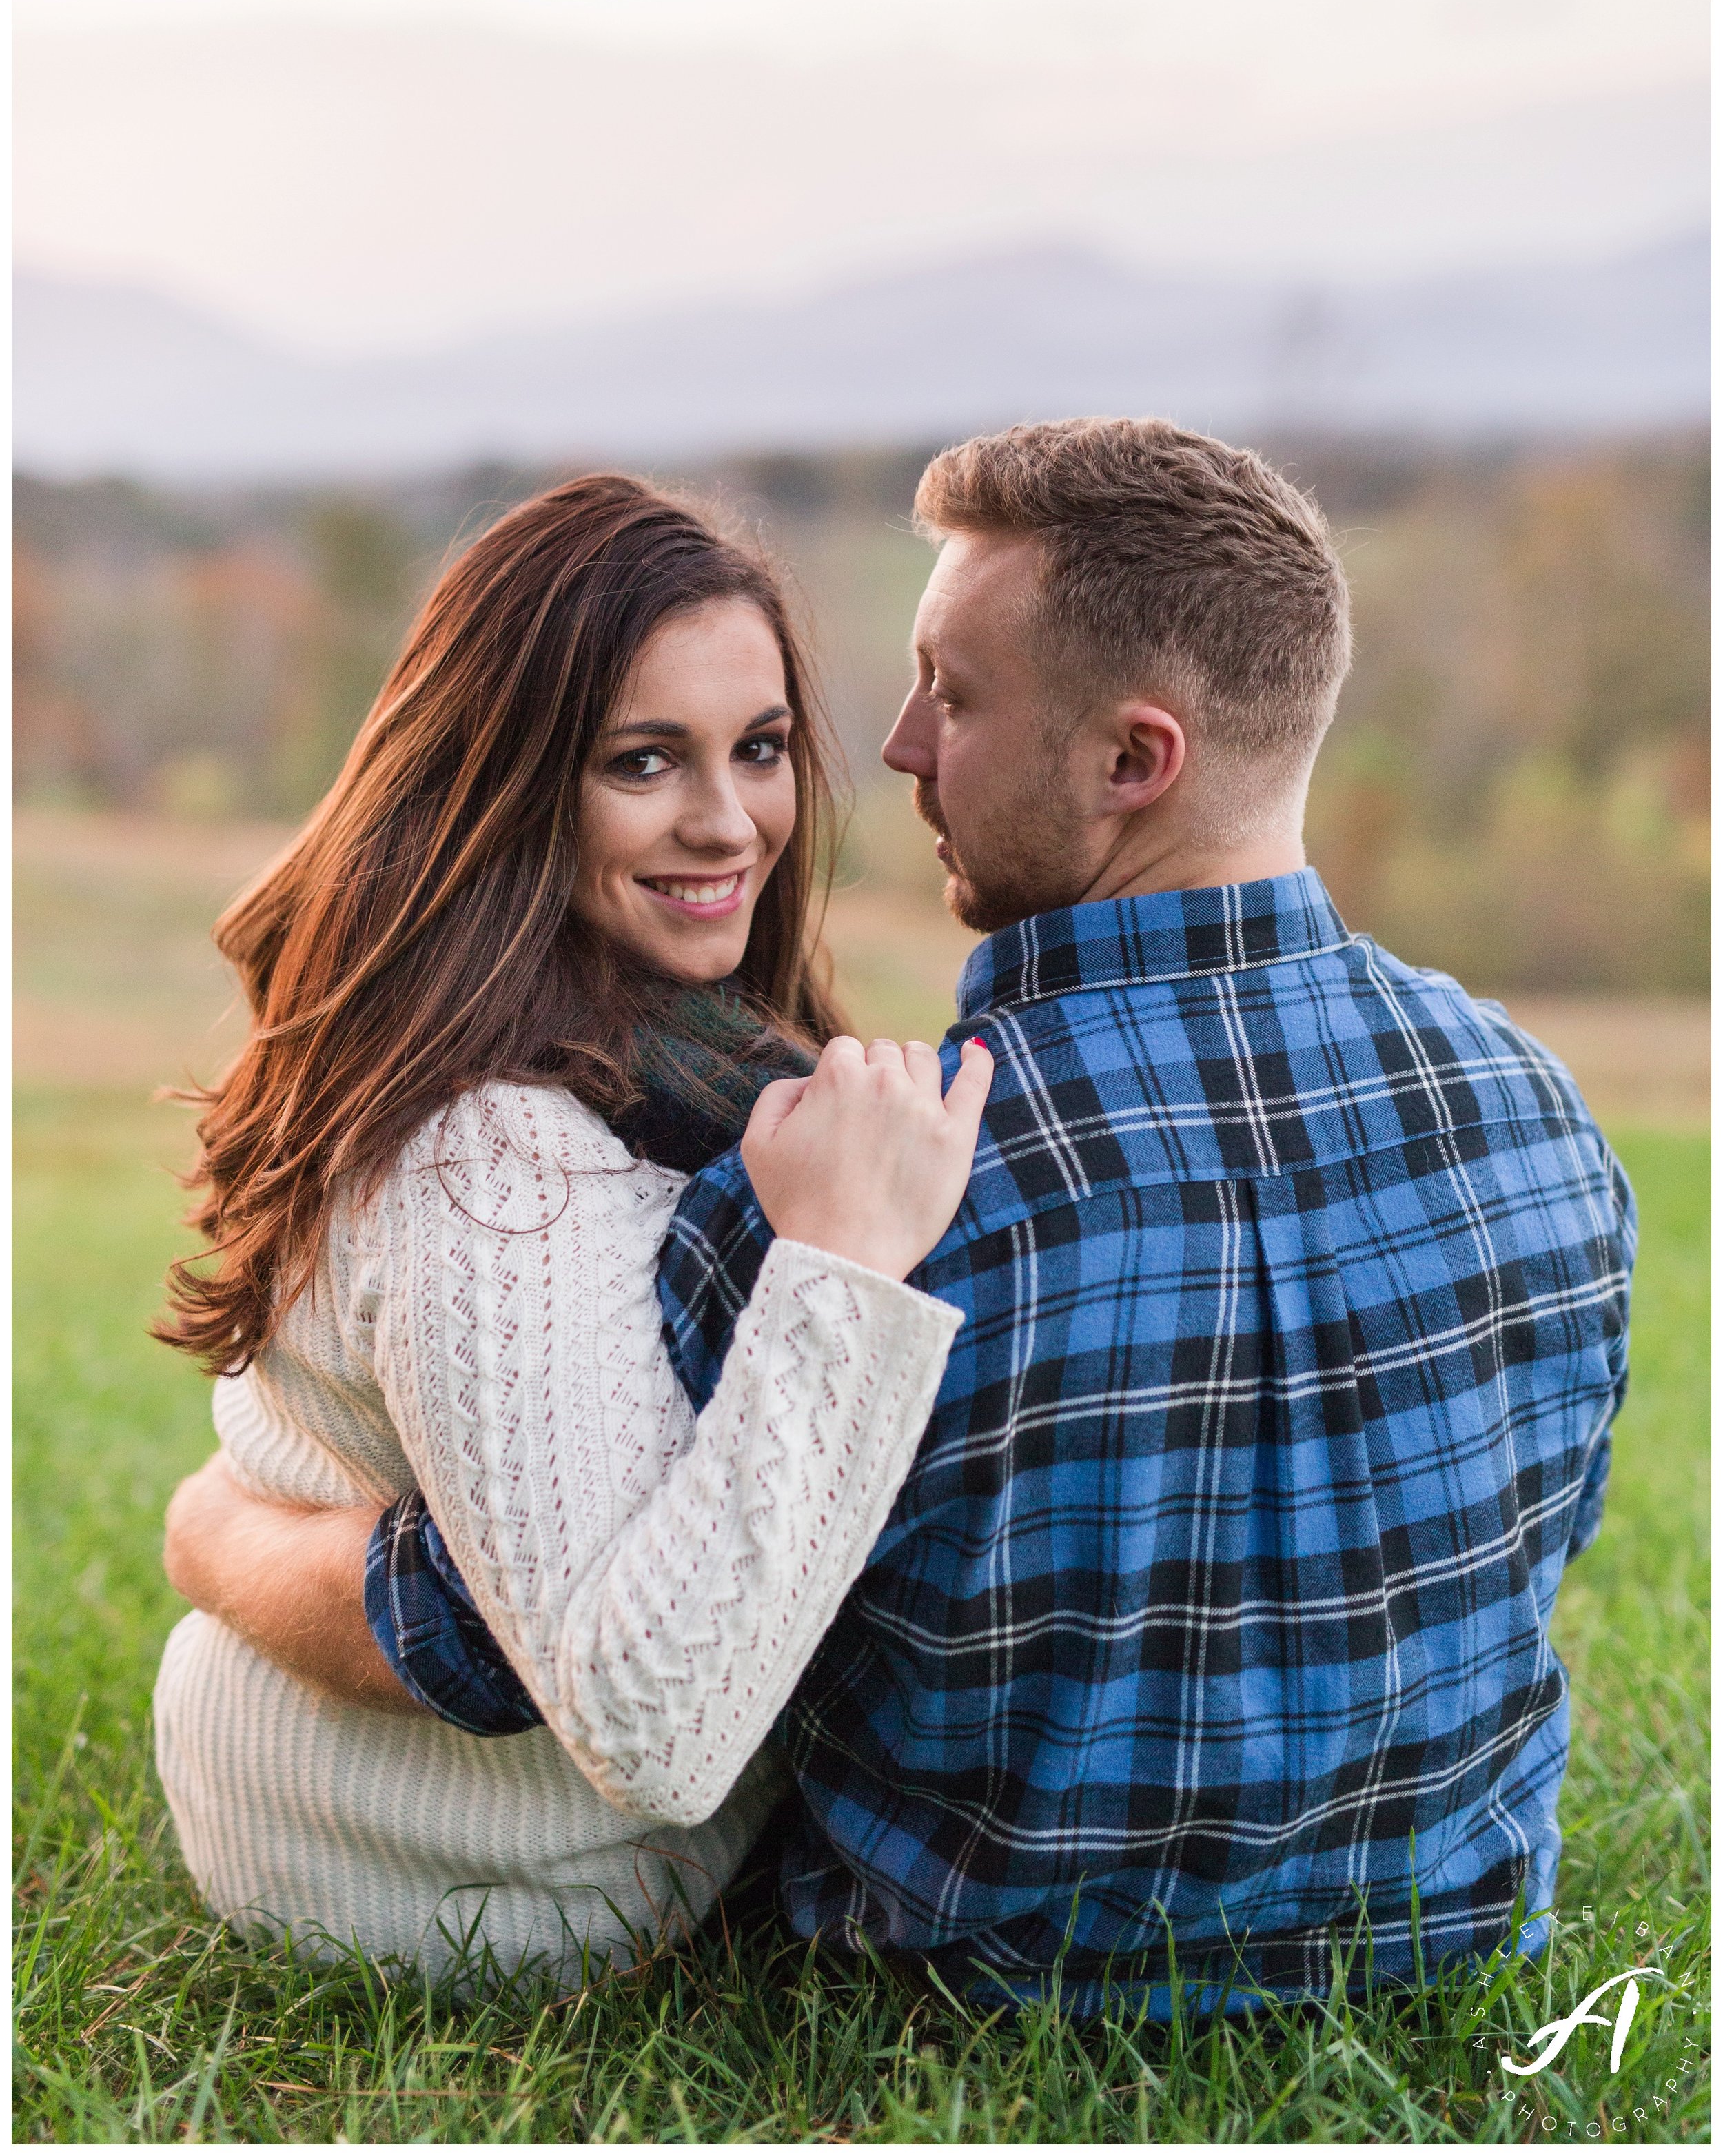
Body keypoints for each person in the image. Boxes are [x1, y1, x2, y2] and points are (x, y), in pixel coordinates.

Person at [167, 420, 1634, 2017]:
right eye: (645, 756)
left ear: (1132, 760)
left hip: (983, 1982)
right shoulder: (1544, 1113)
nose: (900, 745)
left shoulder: (891, 1189)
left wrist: (223, 1536)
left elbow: (526, 1620)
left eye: (951, 690)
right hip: (1449, 1929)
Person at [151, 473, 993, 1986]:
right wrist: (842, 1269)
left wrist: (227, 1533)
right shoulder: (503, 1152)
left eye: (758, 748)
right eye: (641, 761)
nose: (724, 820)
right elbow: (655, 1730)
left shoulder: (652, 1051)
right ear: (510, 778)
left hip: (343, 1801)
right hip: (483, 1883)